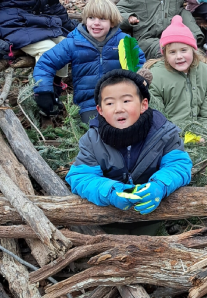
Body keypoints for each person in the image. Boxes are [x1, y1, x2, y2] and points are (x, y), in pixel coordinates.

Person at [65, 69, 192, 218]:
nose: (119, 109)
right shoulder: (92, 140)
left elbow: (179, 165)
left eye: (126, 101)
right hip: (110, 218)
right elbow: (81, 177)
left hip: (154, 216)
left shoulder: (164, 133)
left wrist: (160, 185)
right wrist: (111, 191)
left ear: (143, 104)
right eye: (110, 103)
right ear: (100, 110)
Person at [33, 0, 146, 122]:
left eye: (102, 19)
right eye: (91, 18)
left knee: (129, 127)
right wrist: (43, 90)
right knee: (97, 130)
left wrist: (141, 87)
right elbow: (46, 63)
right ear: (85, 20)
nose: (96, 23)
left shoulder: (124, 41)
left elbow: (139, 67)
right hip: (89, 104)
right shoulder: (74, 42)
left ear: (112, 22)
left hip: (120, 100)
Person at [141, 16, 207, 130]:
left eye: (184, 50)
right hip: (170, 133)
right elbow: (156, 112)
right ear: (165, 55)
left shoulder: (204, 71)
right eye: (172, 52)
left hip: (200, 130)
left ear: (193, 50)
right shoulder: (156, 76)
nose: (179, 56)